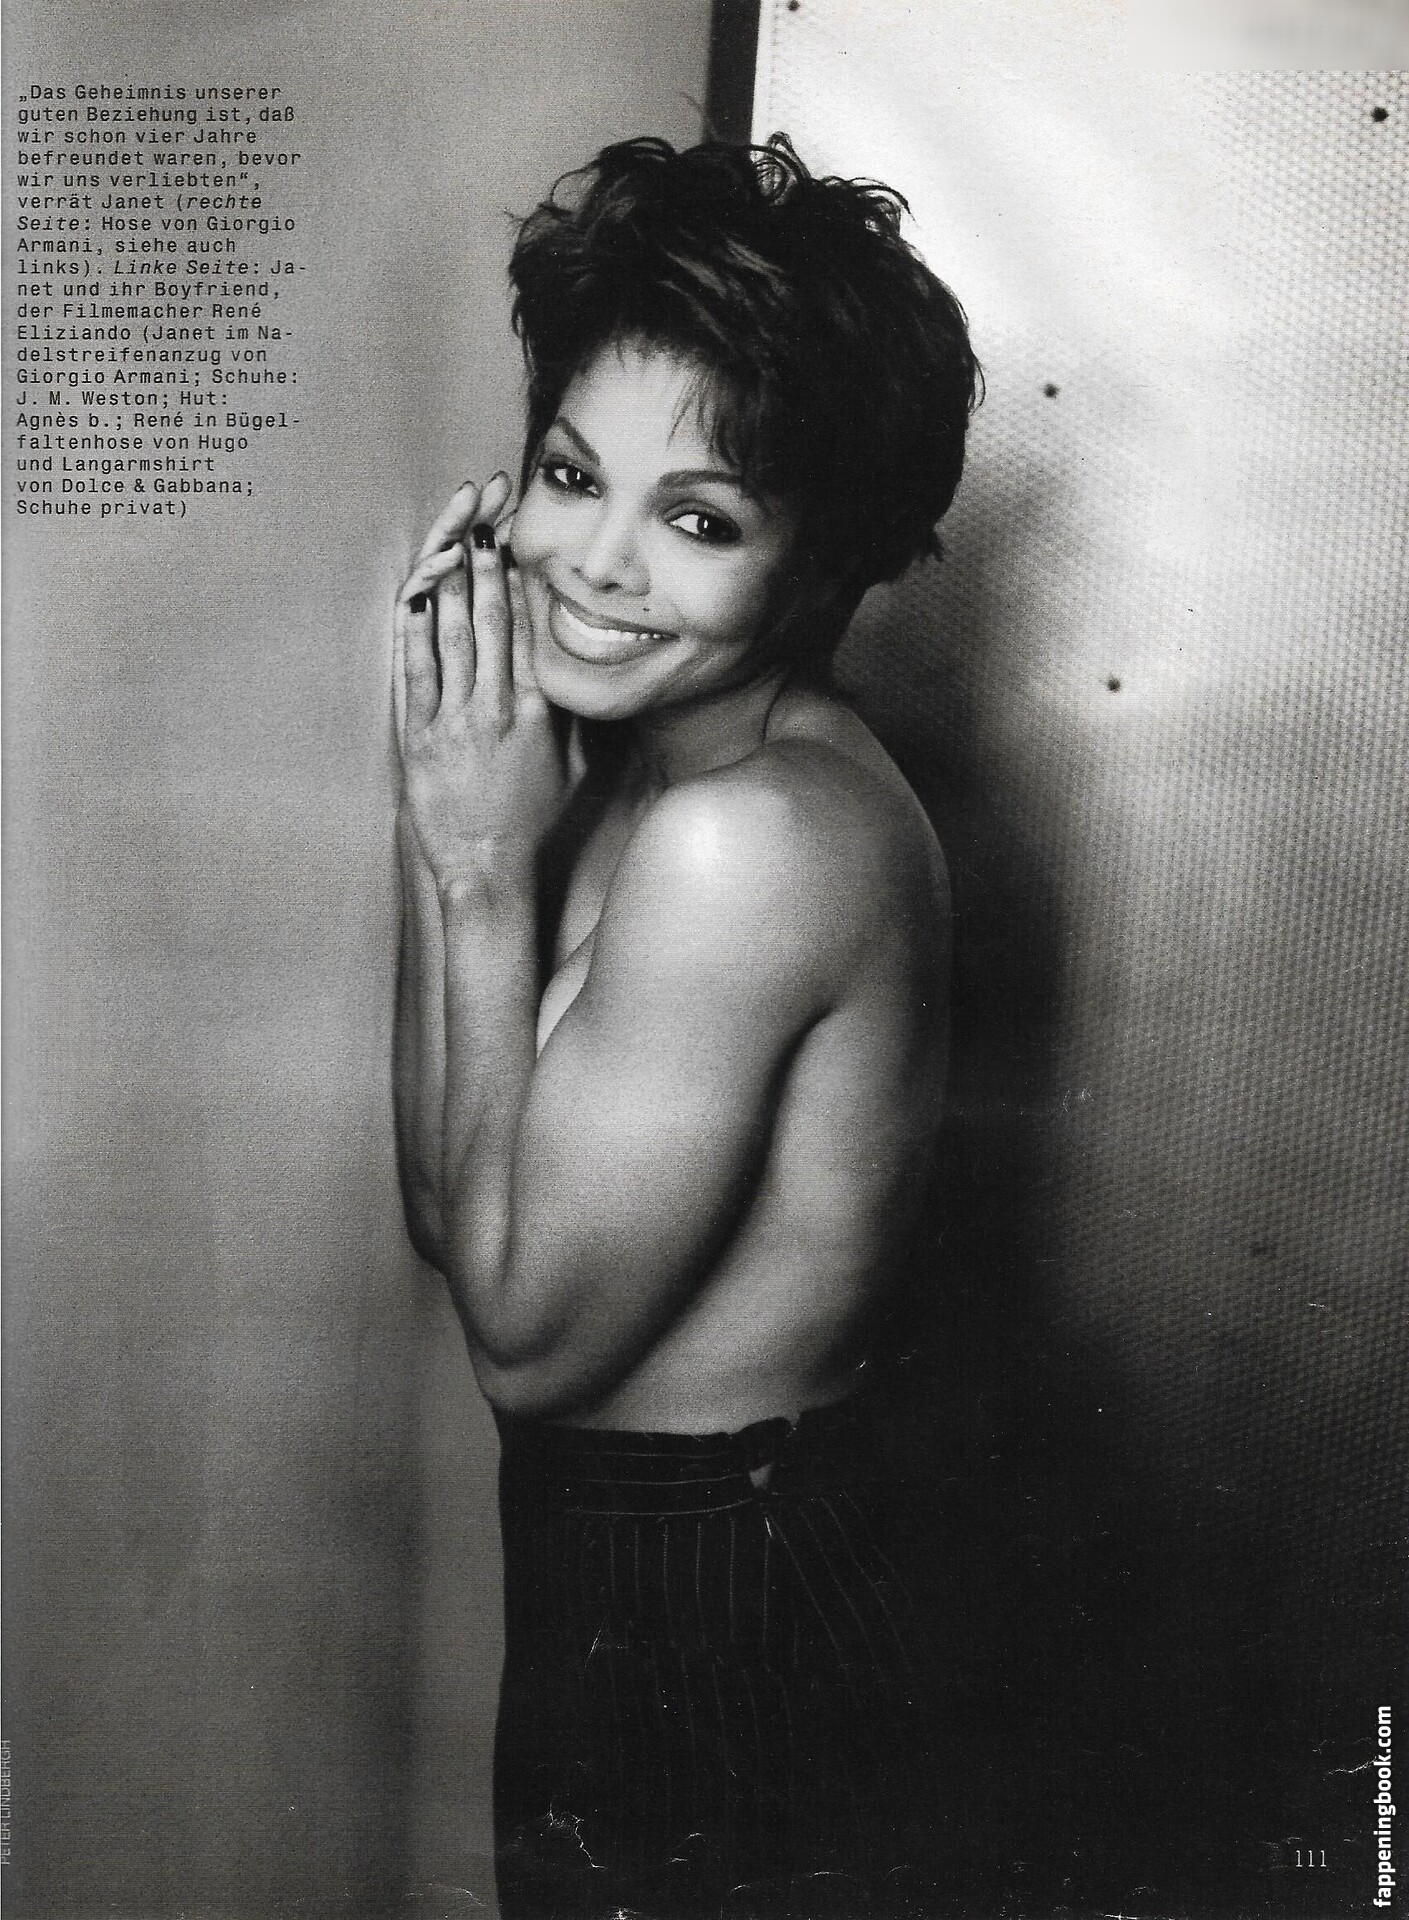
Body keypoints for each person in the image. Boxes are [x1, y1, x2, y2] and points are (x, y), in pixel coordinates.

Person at [393, 135, 979, 1919]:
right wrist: (461, 815)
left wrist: (476, 869)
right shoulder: (643, 782)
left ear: (827, 565)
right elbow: (454, 1207)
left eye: (700, 519)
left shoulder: (757, 839)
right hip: (635, 1550)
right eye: (573, 475)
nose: (595, 562)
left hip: (722, 1574)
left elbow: (520, 1341)